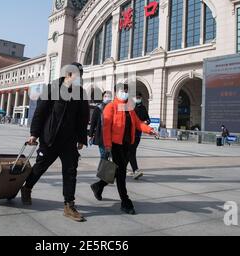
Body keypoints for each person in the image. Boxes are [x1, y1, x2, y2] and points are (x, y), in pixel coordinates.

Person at [22, 62, 89, 222]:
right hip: (50, 138)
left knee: (71, 171)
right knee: (40, 166)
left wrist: (81, 138)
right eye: (76, 74)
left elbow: (82, 117)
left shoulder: (80, 92)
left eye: (80, 74)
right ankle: (27, 188)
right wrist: (34, 134)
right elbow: (40, 112)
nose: (78, 77)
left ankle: (69, 205)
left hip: (69, 140)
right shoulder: (52, 88)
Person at [91, 83, 155, 215]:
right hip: (115, 145)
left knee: (117, 170)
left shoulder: (129, 108)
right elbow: (106, 128)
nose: (124, 93)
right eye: (122, 90)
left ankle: (98, 186)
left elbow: (138, 123)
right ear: (116, 92)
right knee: (121, 174)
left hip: (127, 145)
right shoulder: (111, 107)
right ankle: (125, 202)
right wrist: (108, 145)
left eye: (126, 91)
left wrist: (149, 130)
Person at [88, 91, 112, 199]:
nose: (107, 98)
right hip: (102, 137)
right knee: (105, 157)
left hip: (113, 137)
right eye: (106, 96)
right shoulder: (98, 108)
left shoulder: (113, 107)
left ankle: (99, 184)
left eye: (109, 96)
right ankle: (100, 182)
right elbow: (93, 122)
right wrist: (90, 134)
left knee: (108, 160)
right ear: (102, 97)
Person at [128, 92, 151, 180]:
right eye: (136, 97)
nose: (137, 99)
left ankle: (120, 169)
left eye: (139, 97)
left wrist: (146, 122)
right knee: (131, 152)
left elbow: (148, 119)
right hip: (129, 133)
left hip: (137, 134)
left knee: (130, 152)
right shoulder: (129, 107)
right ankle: (135, 170)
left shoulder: (143, 108)